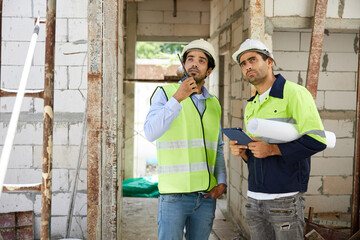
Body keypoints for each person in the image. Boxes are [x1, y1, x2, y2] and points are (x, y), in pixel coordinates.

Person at [230, 39, 327, 240]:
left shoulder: (295, 93)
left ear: (269, 62)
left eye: (252, 60)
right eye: (243, 63)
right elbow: (259, 152)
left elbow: (317, 140)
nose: (248, 66)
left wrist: (273, 149)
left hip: (284, 200)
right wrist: (244, 152)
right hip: (254, 199)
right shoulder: (251, 104)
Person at [144, 39, 227, 240]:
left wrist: (222, 182)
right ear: (183, 65)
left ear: (208, 71)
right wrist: (177, 99)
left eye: (201, 61)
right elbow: (150, 132)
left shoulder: (214, 104)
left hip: (206, 198)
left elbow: (217, 147)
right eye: (190, 59)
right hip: (174, 197)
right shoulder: (165, 94)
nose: (194, 64)